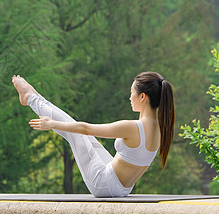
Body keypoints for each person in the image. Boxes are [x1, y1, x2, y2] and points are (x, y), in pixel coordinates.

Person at [12, 72, 175, 197]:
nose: (129, 97)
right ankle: (34, 97)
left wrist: (51, 124)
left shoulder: (132, 127)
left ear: (142, 97)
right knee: (77, 130)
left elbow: (86, 128)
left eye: (131, 93)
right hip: (123, 188)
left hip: (103, 183)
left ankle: (31, 98)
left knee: (76, 132)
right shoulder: (162, 128)